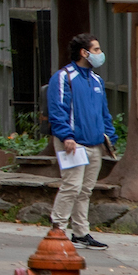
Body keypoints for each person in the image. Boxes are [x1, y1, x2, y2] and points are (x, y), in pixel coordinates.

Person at [46, 32, 115, 251]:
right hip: (73, 143)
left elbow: (104, 112)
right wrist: (66, 135)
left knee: (85, 190)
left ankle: (80, 232)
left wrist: (109, 136)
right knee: (72, 186)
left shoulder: (97, 80)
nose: (100, 54)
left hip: (95, 143)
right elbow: (57, 109)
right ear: (84, 53)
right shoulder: (63, 77)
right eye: (96, 50)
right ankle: (57, 227)